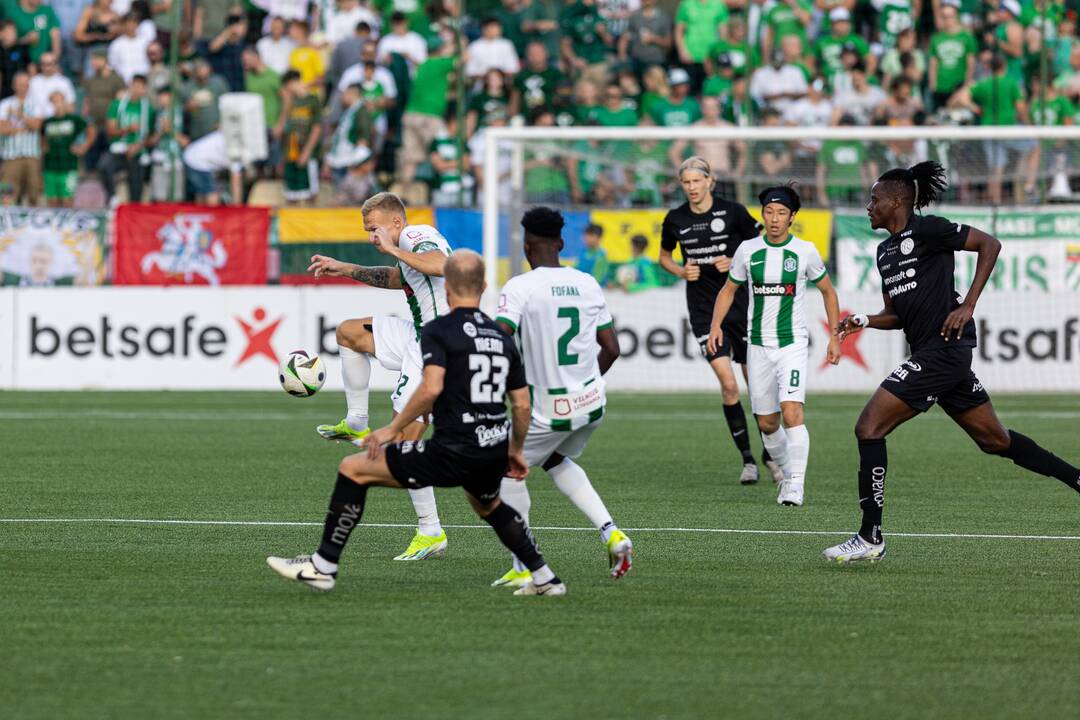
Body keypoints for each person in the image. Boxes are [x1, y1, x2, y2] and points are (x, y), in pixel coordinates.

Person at [268, 250, 566, 596]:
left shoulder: (438, 330)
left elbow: (431, 387)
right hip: (493, 446)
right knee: (489, 505)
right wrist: (514, 451)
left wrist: (392, 429)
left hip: (453, 450)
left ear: (448, 290)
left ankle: (323, 567)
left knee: (353, 469)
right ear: (484, 287)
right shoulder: (501, 335)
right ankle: (545, 577)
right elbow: (522, 403)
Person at [823, 162, 1080, 562]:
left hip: (945, 351)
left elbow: (990, 244)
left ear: (896, 201)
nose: (869, 206)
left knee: (868, 427)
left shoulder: (928, 230)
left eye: (874, 199)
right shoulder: (884, 251)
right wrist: (865, 321)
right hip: (933, 355)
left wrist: (969, 306)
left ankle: (870, 536)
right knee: (995, 441)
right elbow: (898, 316)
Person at [489, 207, 632, 589]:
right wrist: (582, 385)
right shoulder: (587, 282)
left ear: (527, 244)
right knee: (553, 458)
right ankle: (612, 533)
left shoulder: (519, 287)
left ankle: (524, 566)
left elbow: (499, 338)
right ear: (562, 243)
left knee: (507, 469)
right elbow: (613, 349)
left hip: (549, 409)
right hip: (592, 403)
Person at [307, 192, 453, 562]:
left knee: (404, 439)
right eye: (368, 231)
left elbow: (440, 265)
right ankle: (356, 421)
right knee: (349, 333)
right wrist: (344, 268)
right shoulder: (404, 246)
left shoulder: (416, 235)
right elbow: (394, 277)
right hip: (417, 334)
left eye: (374, 229)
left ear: (397, 223)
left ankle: (430, 530)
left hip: (440, 345)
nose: (372, 237)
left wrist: (392, 247)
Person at [708, 184, 840, 507]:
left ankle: (796, 483)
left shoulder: (805, 251)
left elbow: (828, 292)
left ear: (792, 216)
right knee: (767, 423)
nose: (775, 218)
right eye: (769, 212)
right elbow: (728, 290)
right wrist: (715, 326)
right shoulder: (747, 251)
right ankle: (786, 468)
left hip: (792, 344)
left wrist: (835, 336)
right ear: (762, 214)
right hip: (757, 347)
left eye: (781, 213)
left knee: (792, 410)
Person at [660, 156, 781, 485]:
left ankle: (771, 453)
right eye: (686, 183)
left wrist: (738, 257)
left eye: (697, 181)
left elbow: (763, 242)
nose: (692, 188)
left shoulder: (733, 212)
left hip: (740, 306)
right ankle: (748, 461)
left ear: (710, 181)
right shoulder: (675, 219)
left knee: (755, 385)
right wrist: (681, 270)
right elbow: (664, 256)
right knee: (728, 385)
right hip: (702, 311)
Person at [100, 73, 154, 203]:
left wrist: (137, 146)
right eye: (134, 86)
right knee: (104, 166)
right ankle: (112, 197)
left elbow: (150, 134)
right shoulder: (118, 105)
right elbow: (110, 130)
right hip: (120, 148)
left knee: (137, 183)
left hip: (138, 150)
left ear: (145, 89)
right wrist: (127, 129)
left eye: (140, 87)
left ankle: (135, 208)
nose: (136, 90)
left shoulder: (149, 108)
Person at [276, 70, 322, 205]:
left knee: (310, 191)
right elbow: (279, 130)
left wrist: (307, 152)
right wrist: (286, 105)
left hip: (307, 152)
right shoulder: (290, 103)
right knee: (291, 194)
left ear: (291, 83)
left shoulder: (313, 100)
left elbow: (316, 128)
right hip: (290, 152)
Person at [0, 71, 46, 205]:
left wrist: (20, 115)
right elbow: (2, 129)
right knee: (7, 192)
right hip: (11, 155)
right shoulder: (5, 104)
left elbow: (36, 125)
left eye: (25, 85)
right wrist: (23, 127)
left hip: (31, 154)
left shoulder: (36, 104)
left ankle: (33, 222)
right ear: (14, 86)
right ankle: (7, 222)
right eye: (20, 85)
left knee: (34, 191)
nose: (22, 88)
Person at [41, 91, 93, 208]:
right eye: (54, 101)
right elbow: (42, 137)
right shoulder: (48, 121)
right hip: (51, 165)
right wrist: (44, 147)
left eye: (60, 100)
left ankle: (67, 226)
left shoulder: (73, 120)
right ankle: (54, 226)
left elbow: (90, 129)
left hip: (69, 165)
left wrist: (84, 146)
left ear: (65, 102)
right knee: (52, 200)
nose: (57, 104)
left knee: (67, 200)